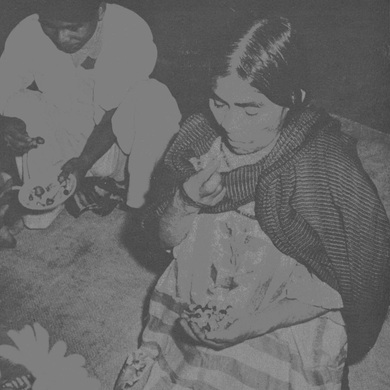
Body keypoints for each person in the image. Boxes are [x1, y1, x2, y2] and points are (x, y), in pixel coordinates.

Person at [114, 15, 390, 390]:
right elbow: (159, 241)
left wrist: (258, 322)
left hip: (292, 305)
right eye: (219, 102)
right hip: (207, 292)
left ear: (294, 100)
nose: (229, 125)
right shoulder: (197, 141)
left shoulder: (323, 165)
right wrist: (185, 200)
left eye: (251, 109)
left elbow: (352, 276)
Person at [0, 0, 181, 238]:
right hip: (65, 145)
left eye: (74, 28)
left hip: (115, 151)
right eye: (51, 27)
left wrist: (83, 162)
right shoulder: (29, 31)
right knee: (18, 102)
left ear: (99, 11)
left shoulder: (128, 29)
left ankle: (137, 200)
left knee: (153, 97)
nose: (62, 38)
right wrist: (4, 123)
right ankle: (58, 197)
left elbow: (113, 112)